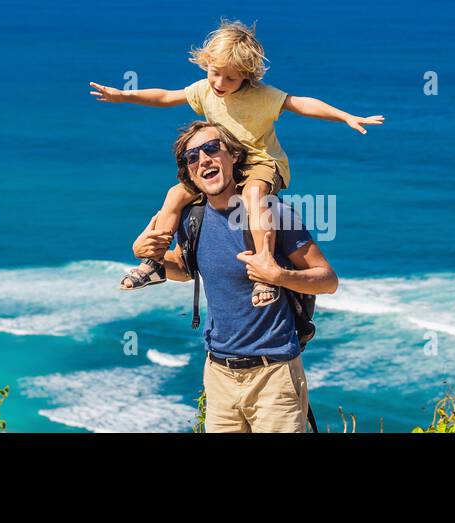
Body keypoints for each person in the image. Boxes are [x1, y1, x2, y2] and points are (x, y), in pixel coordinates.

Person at [92, 19, 378, 308]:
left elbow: (300, 103)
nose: (220, 83)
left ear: (247, 75)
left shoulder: (263, 96)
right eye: (215, 73)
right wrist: (124, 95)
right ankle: (154, 262)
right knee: (175, 194)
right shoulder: (204, 89)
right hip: (226, 164)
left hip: (262, 163)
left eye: (231, 78)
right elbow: (166, 96)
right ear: (206, 64)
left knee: (253, 195)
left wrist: (345, 116)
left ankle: (264, 270)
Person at [133, 121, 339, 433]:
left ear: (234, 157)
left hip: (274, 374)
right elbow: (186, 270)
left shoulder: (272, 214)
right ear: (188, 172)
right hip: (218, 374)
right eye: (192, 157)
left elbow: (327, 280)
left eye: (212, 149)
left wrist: (277, 274)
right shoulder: (192, 218)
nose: (203, 159)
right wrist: (156, 256)